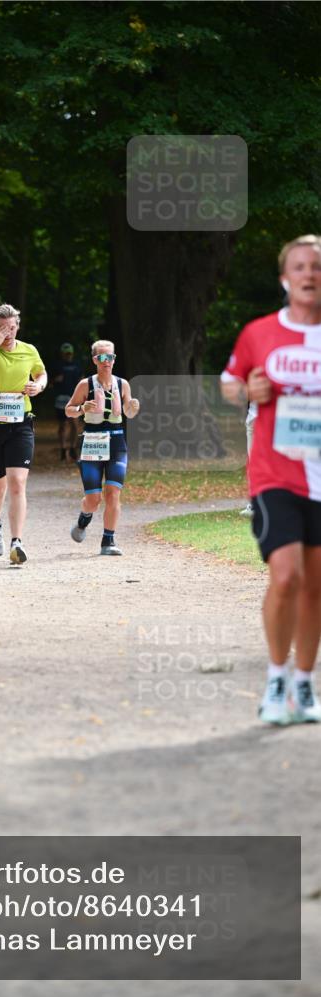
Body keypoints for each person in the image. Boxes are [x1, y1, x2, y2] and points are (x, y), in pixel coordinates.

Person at [221, 233, 321, 725]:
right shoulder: (260, 332)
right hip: (274, 473)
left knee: (314, 587)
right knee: (286, 576)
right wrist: (248, 389)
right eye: (300, 266)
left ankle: (303, 683)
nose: (309, 274)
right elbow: (229, 383)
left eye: (317, 266)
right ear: (285, 279)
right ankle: (276, 677)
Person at [0, 303, 47, 564]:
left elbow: (41, 374)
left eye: (12, 327)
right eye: (2, 328)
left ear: (18, 327)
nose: (8, 333)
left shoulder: (29, 350)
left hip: (21, 424)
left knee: (17, 482)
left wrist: (38, 386)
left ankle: (17, 542)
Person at [65, 340, 140, 555]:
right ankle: (84, 519)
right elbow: (68, 410)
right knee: (94, 499)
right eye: (103, 357)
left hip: (117, 443)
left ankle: (108, 541)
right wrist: (82, 408)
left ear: (114, 360)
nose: (107, 361)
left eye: (111, 357)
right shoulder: (85, 385)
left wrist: (133, 407)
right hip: (92, 442)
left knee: (113, 493)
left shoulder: (122, 384)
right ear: (95, 360)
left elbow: (128, 412)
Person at [53, 343, 82, 463]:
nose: (68, 356)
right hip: (61, 398)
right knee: (63, 425)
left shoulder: (77, 365)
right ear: (62, 354)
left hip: (74, 398)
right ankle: (63, 449)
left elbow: (82, 380)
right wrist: (55, 380)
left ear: (72, 353)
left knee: (75, 424)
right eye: (66, 354)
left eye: (69, 353)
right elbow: (49, 382)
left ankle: (73, 448)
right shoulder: (57, 366)